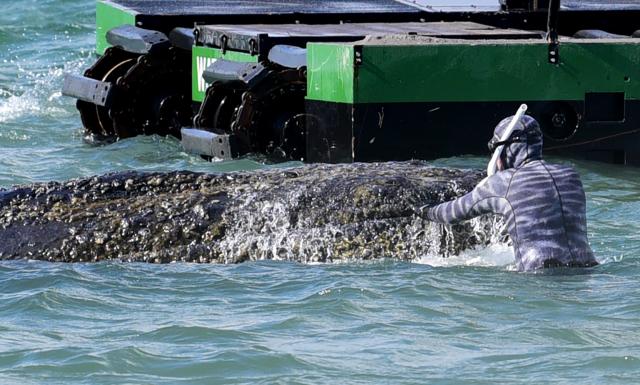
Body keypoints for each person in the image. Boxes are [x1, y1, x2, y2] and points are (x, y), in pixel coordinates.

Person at [421, 115, 597, 271]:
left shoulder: (504, 182)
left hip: (539, 276)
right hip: (587, 270)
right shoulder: (571, 175)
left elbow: (450, 214)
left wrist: (421, 209)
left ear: (503, 151)